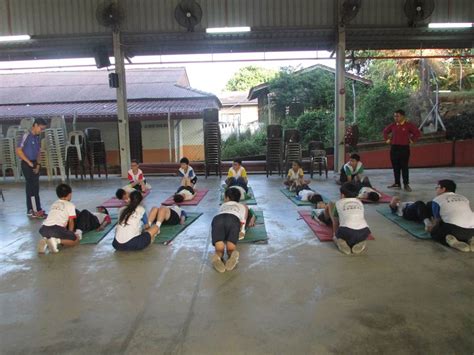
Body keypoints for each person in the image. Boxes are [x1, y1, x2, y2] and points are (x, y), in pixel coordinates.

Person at [428, 180, 474, 252]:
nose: (436, 189)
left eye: (437, 187)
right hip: (472, 230)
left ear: (443, 189)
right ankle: (470, 239)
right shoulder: (464, 198)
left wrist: (432, 229)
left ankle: (452, 243)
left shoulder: (437, 200)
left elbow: (437, 221)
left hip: (454, 230)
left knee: (434, 233)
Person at [16, 117, 48, 218]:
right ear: (35, 125)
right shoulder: (26, 135)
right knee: (30, 188)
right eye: (41, 128)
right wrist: (29, 162)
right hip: (27, 164)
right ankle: (31, 210)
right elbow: (18, 150)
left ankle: (37, 208)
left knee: (36, 187)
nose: (41, 131)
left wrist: (38, 165)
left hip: (34, 163)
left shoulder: (37, 137)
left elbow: (39, 152)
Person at [211, 187, 249, 273]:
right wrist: (242, 231)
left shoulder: (223, 205)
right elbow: (243, 220)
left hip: (217, 219)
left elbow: (221, 214)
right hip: (233, 219)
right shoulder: (243, 206)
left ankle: (217, 256)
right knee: (230, 249)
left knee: (219, 249)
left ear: (227, 198)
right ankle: (232, 255)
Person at [328, 182, 371, 255]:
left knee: (337, 237)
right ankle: (361, 242)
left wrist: (335, 235)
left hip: (346, 232)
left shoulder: (338, 203)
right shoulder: (360, 202)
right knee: (362, 235)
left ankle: (340, 242)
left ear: (342, 195)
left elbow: (335, 222)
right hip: (364, 231)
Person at [383, 109, 421, 192]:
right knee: (395, 166)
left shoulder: (408, 125)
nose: (395, 118)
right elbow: (385, 131)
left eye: (397, 116)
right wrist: (388, 140)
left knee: (404, 166)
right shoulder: (393, 125)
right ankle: (397, 183)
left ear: (403, 116)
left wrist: (411, 140)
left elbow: (417, 133)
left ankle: (406, 184)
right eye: (395, 116)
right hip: (394, 148)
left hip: (404, 148)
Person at [37, 183, 81, 254]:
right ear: (70, 194)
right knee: (76, 240)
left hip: (43, 229)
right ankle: (56, 241)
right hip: (56, 229)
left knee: (54, 233)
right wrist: (71, 234)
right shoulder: (70, 205)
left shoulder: (54, 203)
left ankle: (46, 240)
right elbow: (71, 222)